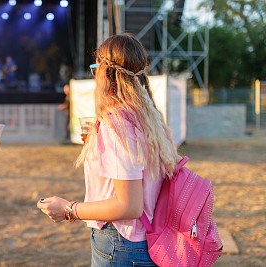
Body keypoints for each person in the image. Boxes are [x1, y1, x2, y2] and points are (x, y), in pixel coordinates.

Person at [37, 33, 181, 266]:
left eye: (96, 68)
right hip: (147, 238)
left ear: (106, 73)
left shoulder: (116, 123)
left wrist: (68, 209)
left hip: (121, 244)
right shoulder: (149, 118)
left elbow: (129, 205)